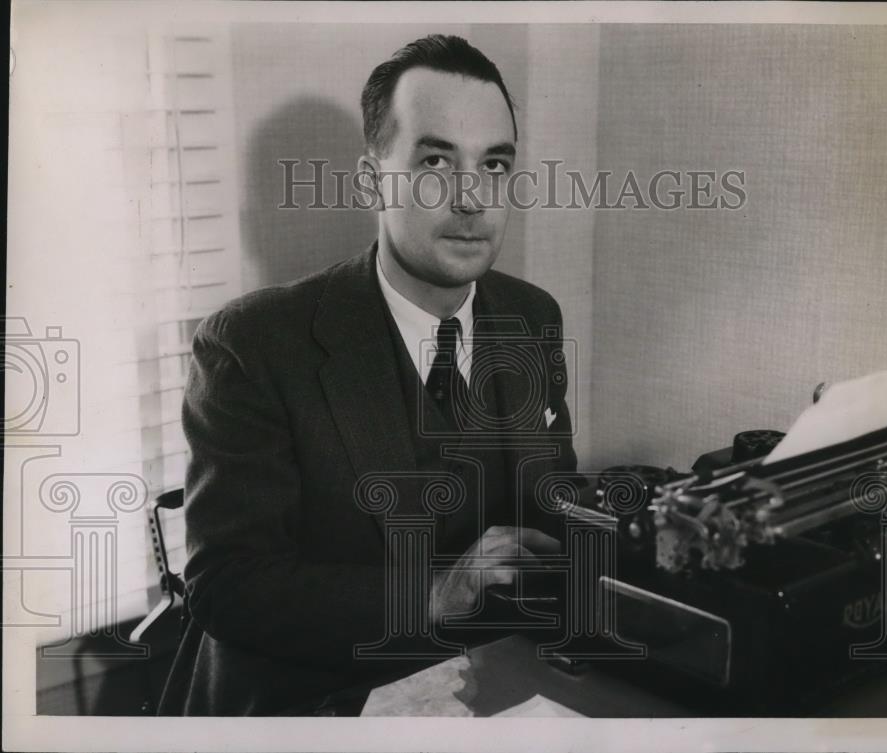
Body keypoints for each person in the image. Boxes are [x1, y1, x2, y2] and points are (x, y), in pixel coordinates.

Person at [157, 34, 577, 716]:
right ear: (370, 179)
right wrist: (439, 589)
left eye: (494, 165)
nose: (473, 198)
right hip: (312, 702)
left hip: (491, 691)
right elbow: (226, 584)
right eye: (437, 160)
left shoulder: (533, 317)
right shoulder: (251, 345)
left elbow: (547, 507)